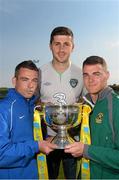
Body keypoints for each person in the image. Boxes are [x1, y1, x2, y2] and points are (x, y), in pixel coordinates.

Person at [0, 60, 57, 179]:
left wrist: (47, 140)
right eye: (25, 79)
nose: (31, 86)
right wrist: (37, 146)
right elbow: (1, 155)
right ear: (14, 81)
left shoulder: (33, 106)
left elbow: (27, 137)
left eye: (34, 80)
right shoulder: (4, 109)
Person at [64, 56, 119, 179]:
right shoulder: (82, 106)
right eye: (86, 75)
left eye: (96, 74)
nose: (90, 80)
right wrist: (62, 132)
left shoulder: (116, 106)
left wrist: (86, 150)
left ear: (107, 75)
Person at [40, 26, 84, 179]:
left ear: (73, 46)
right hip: (48, 140)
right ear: (50, 46)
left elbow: (86, 104)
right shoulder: (40, 73)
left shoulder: (81, 73)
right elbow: (33, 104)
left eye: (66, 44)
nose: (61, 49)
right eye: (57, 44)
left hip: (72, 141)